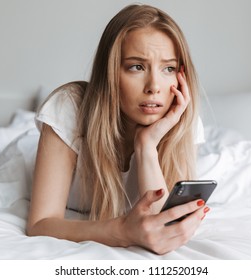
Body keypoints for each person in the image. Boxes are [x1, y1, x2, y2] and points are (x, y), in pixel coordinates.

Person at [26, 4, 209, 255]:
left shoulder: (182, 120)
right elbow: (39, 225)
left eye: (168, 68)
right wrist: (122, 231)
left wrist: (146, 146)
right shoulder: (68, 108)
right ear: (111, 73)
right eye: (137, 67)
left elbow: (160, 231)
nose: (154, 86)